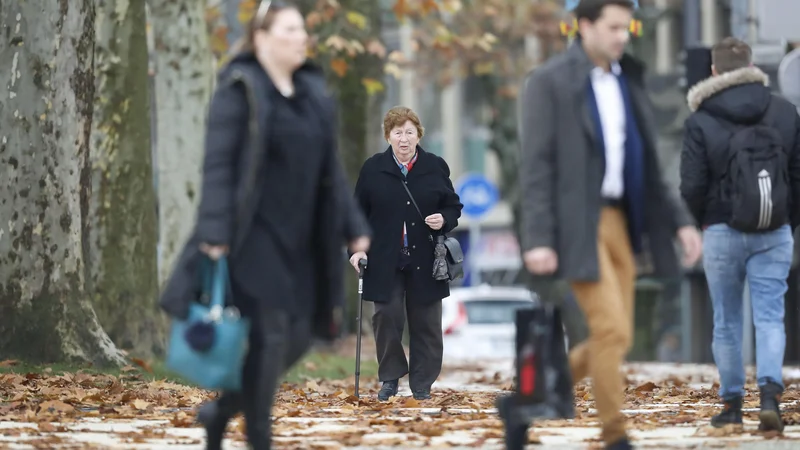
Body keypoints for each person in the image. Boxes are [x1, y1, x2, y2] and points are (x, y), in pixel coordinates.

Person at [158, 2, 371, 449]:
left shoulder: (314, 93)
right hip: (253, 236)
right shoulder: (240, 88)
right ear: (262, 38)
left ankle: (221, 410)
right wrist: (213, 234)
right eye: (290, 29)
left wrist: (353, 224)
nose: (301, 38)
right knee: (271, 335)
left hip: (305, 240)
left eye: (302, 30)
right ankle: (259, 437)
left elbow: (331, 169)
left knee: (299, 337)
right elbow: (218, 167)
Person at [515, 1, 703, 449]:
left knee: (609, 336)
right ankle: (616, 434)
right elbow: (536, 167)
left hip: (624, 221)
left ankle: (529, 398)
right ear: (584, 27)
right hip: (578, 224)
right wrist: (538, 237)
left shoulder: (628, 79)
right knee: (614, 330)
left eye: (627, 27)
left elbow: (651, 166)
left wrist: (682, 224)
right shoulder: (549, 82)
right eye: (613, 27)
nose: (623, 36)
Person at [680, 37, 800, 432]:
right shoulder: (784, 111)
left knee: (726, 322)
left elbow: (691, 184)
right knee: (769, 317)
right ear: (751, 66)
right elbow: (798, 176)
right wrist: (786, 220)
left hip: (721, 231)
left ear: (714, 71)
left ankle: (731, 407)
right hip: (774, 228)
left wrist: (706, 220)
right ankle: (769, 397)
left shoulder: (700, 118)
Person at [349, 106, 463, 401]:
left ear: (418, 135)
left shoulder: (435, 166)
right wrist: (357, 249)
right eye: (397, 132)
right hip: (384, 258)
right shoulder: (373, 169)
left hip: (426, 258)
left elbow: (453, 206)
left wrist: (444, 219)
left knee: (426, 322)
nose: (404, 139)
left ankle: (422, 383)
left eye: (409, 132)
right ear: (388, 136)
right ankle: (390, 377)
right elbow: (356, 215)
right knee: (386, 317)